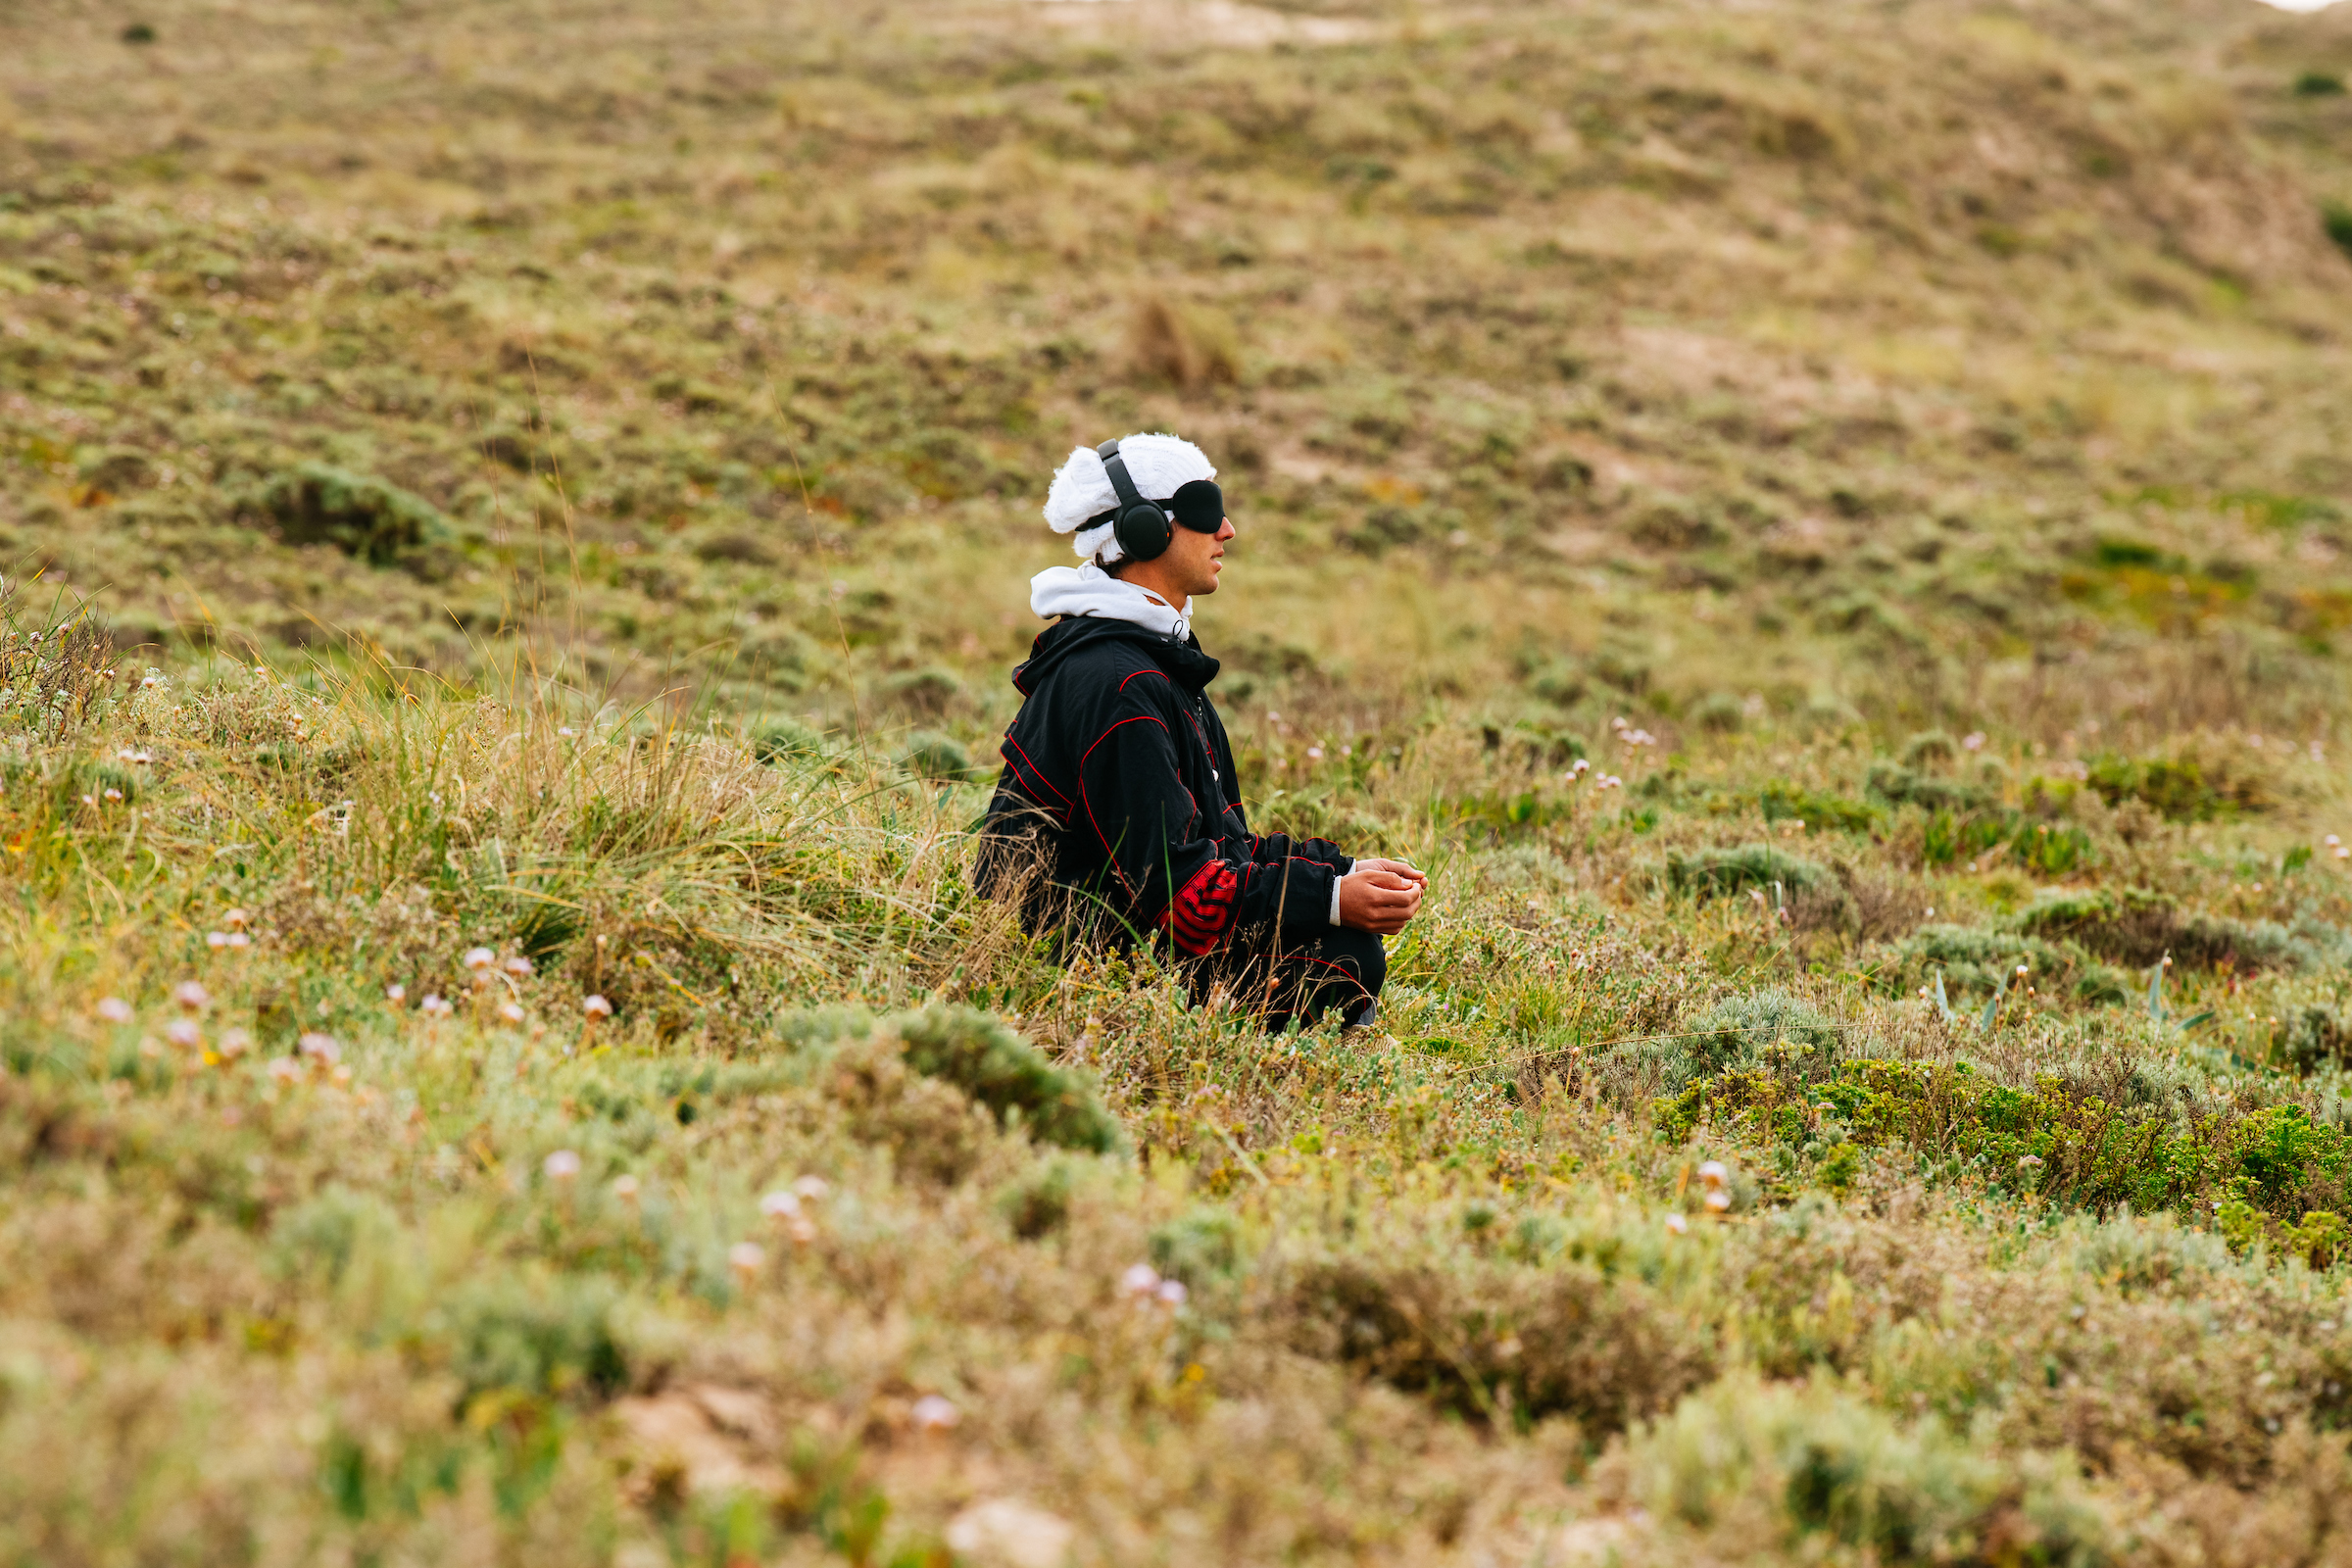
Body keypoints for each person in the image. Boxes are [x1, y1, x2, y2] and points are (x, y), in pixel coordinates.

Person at [974, 432, 1426, 1031]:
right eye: (1206, 509)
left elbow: (1216, 846)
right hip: (1081, 963)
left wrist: (1343, 873)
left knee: (1337, 944)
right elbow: (1184, 897)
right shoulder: (1120, 684)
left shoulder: (1148, 660)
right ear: (1144, 530)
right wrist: (1333, 901)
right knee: (1341, 958)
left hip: (1115, 929)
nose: (1228, 530)